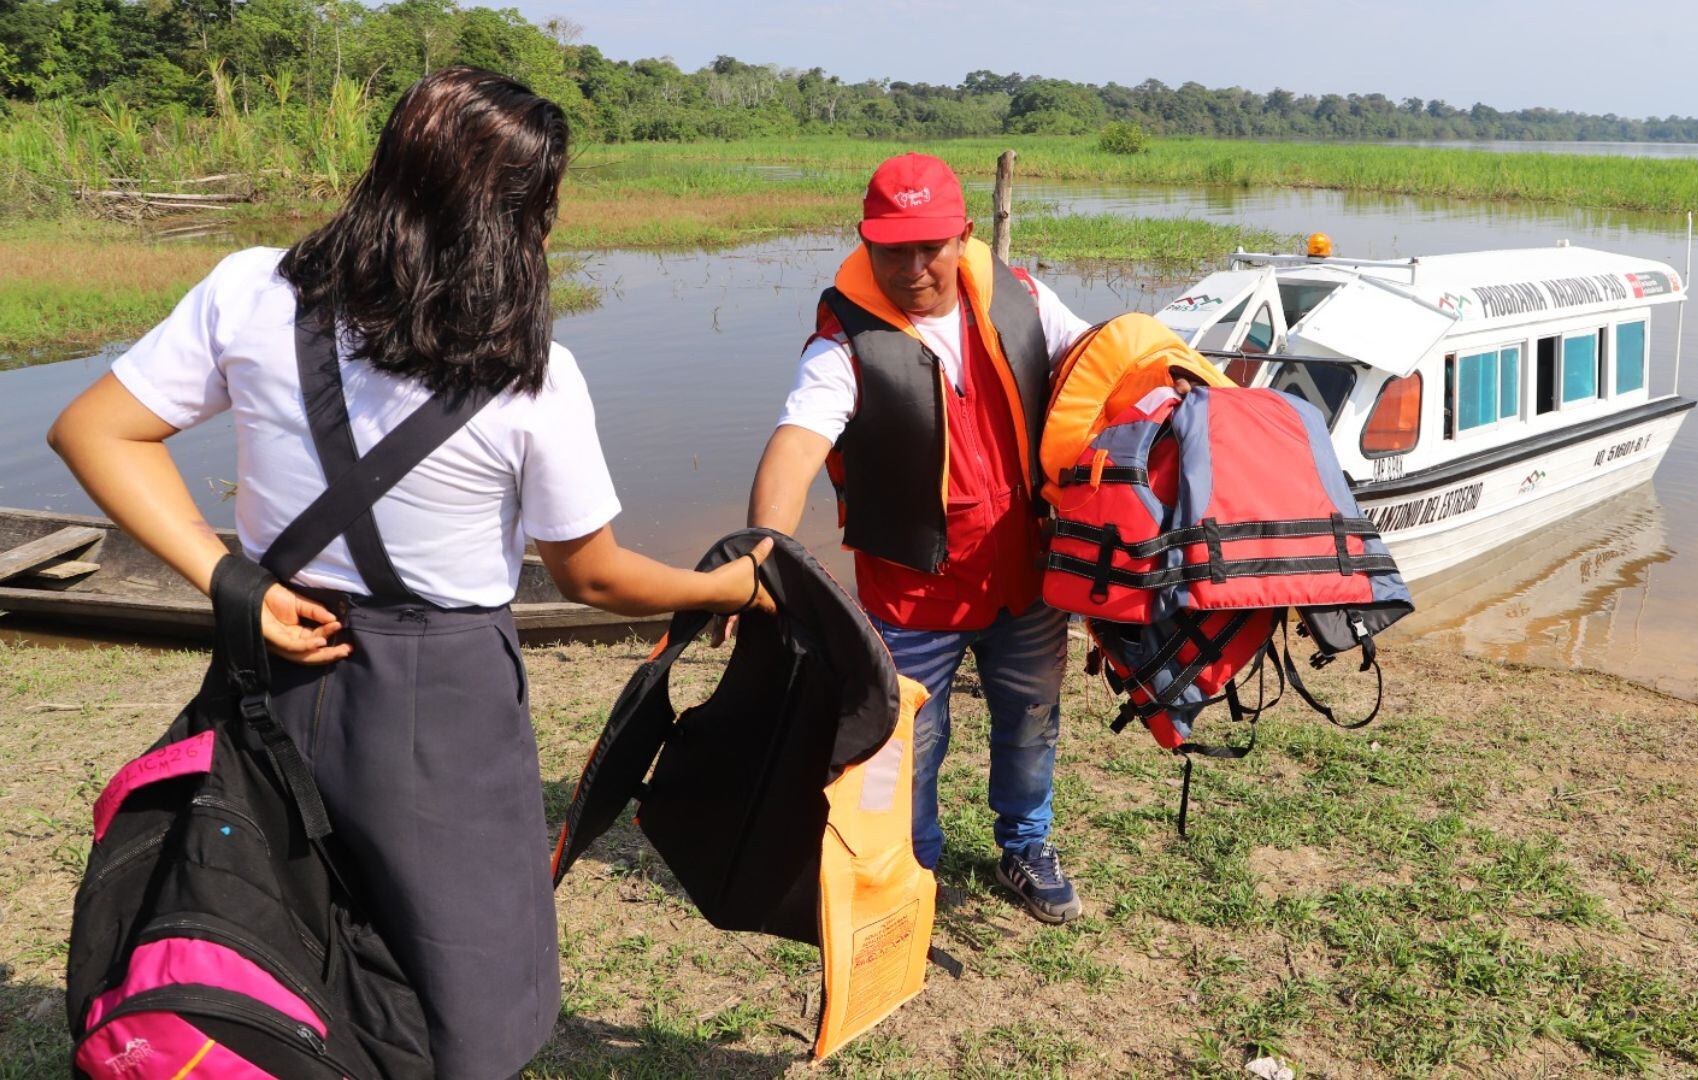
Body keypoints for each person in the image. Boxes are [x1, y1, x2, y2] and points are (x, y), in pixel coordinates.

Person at [46, 67, 770, 1078]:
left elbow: (94, 430)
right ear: (515, 218)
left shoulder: (252, 290)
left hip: (270, 659)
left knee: (275, 898)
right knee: (464, 963)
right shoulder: (534, 374)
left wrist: (231, 582)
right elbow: (595, 578)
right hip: (442, 693)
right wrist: (729, 588)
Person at [745, 153, 1091, 924]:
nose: (912, 269)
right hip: (912, 596)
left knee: (1031, 722)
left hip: (1026, 580)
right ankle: (916, 865)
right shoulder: (843, 347)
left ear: (963, 236)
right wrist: (759, 552)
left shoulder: (1025, 302)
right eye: (892, 249)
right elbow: (796, 445)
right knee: (908, 746)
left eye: (929, 247)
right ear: (865, 242)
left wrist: (1182, 388)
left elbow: (1102, 360)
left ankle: (1025, 843)